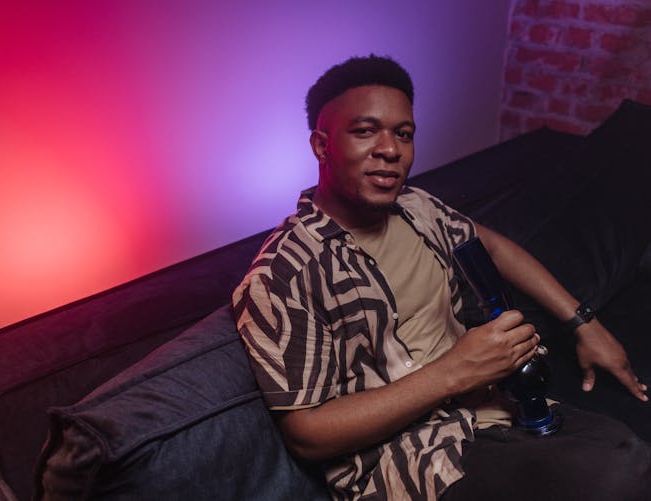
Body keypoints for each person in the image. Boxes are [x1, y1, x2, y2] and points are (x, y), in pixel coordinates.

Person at [232, 55, 650, 500]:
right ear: (321, 145)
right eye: (365, 131)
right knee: (615, 477)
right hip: (415, 460)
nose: (390, 150)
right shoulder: (284, 272)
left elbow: (490, 246)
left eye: (403, 134)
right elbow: (306, 434)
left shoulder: (418, 209)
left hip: (497, 411)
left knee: (630, 451)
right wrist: (455, 371)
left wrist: (584, 322)